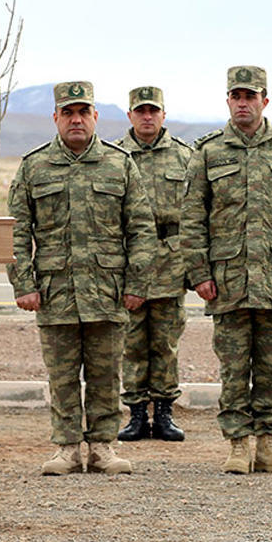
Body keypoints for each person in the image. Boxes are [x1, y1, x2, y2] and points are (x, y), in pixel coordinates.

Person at [182, 66, 272, 474]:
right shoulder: (208, 151)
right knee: (232, 367)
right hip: (227, 281)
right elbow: (192, 219)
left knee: (270, 366)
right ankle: (236, 445)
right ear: (227, 100)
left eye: (251, 96)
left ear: (266, 100)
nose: (243, 103)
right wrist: (200, 273)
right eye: (236, 96)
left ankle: (268, 444)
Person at [7, 81, 157, 475]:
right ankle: (68, 447)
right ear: (55, 118)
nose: (76, 120)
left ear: (95, 116)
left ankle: (103, 446)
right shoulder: (34, 166)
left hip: (107, 291)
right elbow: (16, 232)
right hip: (56, 291)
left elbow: (141, 228)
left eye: (83, 112)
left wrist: (137, 283)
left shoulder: (120, 164)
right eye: (68, 113)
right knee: (61, 375)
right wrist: (23, 283)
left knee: (106, 373)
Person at [113, 86, 193, 442]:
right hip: (129, 260)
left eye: (153, 111)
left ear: (164, 114)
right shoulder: (114, 156)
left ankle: (163, 413)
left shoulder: (185, 157)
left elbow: (196, 213)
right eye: (140, 111)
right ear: (130, 115)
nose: (147, 117)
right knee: (131, 342)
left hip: (171, 260)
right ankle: (134, 414)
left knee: (165, 342)